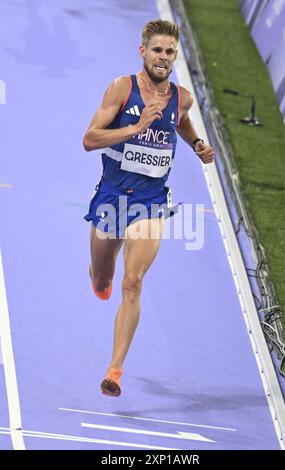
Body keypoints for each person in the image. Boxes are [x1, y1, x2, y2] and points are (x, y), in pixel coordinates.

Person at [83, 19, 215, 397]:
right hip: (111, 196)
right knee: (104, 279)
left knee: (133, 282)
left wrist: (198, 144)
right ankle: (98, 276)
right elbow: (90, 139)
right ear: (143, 51)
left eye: (170, 52)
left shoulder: (181, 97)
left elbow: (182, 122)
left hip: (151, 201)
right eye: (157, 50)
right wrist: (135, 127)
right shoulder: (121, 89)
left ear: (176, 57)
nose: (163, 57)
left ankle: (114, 370)